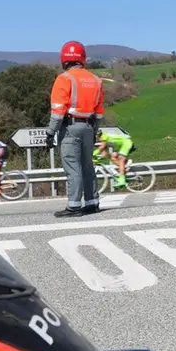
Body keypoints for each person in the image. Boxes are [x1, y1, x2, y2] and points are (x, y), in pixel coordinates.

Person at [45, 40, 105, 218]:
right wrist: (94, 131)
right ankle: (92, 203)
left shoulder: (64, 79)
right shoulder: (96, 80)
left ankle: (74, 206)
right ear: (82, 59)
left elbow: (58, 111)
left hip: (70, 128)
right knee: (88, 166)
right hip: (88, 126)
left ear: (64, 59)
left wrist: (50, 132)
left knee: (73, 167)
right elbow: (99, 113)